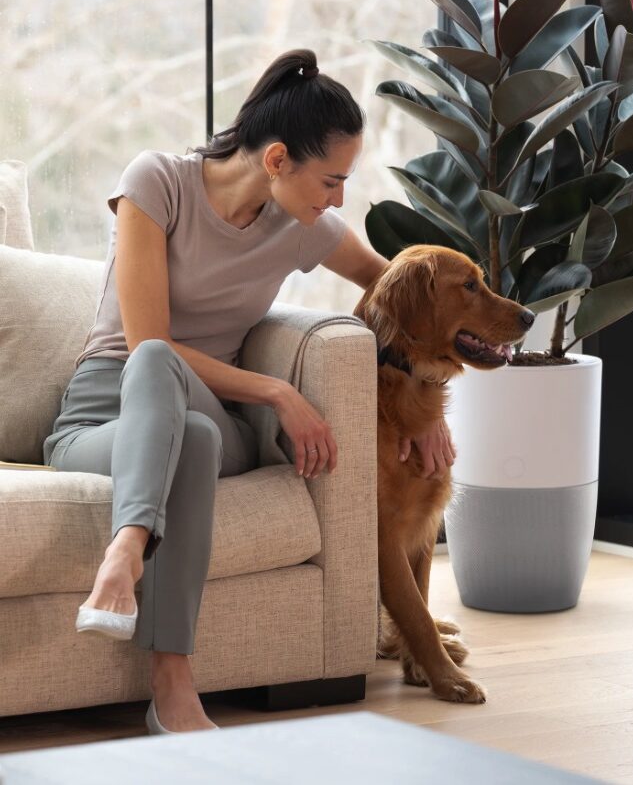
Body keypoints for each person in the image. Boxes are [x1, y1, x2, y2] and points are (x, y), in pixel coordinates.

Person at [43, 48, 456, 734]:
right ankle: (172, 683)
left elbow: (404, 299)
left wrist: (427, 390)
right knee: (169, 393)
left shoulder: (301, 228)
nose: (338, 201)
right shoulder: (156, 183)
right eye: (330, 180)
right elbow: (150, 343)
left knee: (197, 422)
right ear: (274, 161)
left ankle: (125, 551)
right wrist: (277, 392)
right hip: (104, 420)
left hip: (212, 413)